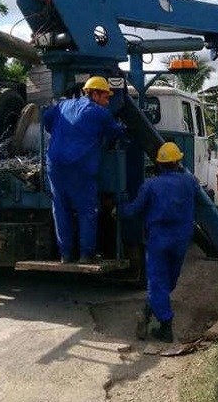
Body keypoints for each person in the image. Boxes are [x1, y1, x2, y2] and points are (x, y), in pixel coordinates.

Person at [121, 142, 199, 343]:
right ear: (178, 162)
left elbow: (133, 210)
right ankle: (147, 312)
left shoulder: (151, 185)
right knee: (168, 282)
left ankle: (165, 327)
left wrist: (118, 208)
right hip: (181, 240)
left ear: (159, 164)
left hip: (159, 240)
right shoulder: (189, 182)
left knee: (157, 283)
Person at [43, 76, 125, 264]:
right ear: (94, 94)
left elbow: (46, 119)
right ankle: (86, 255)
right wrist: (121, 128)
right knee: (86, 209)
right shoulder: (99, 112)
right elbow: (117, 132)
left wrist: (59, 134)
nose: (107, 102)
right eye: (105, 97)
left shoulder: (63, 106)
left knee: (60, 208)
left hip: (54, 164)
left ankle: (66, 255)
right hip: (80, 167)